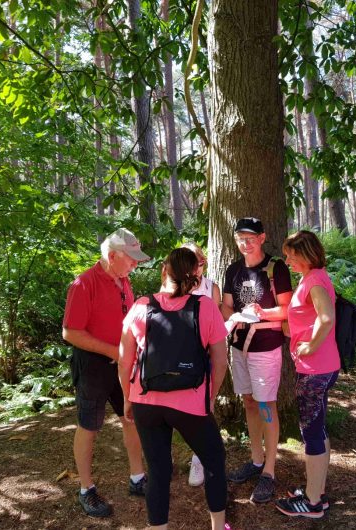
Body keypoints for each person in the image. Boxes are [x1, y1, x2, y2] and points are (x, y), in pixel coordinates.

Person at [118, 247, 230, 530]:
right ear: (195, 275)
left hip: (146, 401)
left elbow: (124, 360)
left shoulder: (141, 306)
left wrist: (127, 398)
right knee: (214, 460)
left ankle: (158, 527)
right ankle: (218, 526)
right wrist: (210, 398)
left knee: (157, 469)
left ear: (163, 271)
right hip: (190, 403)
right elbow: (220, 362)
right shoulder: (205, 307)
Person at [62, 228, 149, 518]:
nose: (135, 265)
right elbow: (70, 332)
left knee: (130, 417)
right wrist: (114, 352)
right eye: (131, 259)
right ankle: (86, 489)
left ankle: (138, 478)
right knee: (89, 425)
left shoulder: (123, 280)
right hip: (93, 366)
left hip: (122, 363)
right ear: (112, 256)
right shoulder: (83, 284)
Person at [222, 217, 292, 503]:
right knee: (249, 401)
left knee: (266, 404)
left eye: (250, 237)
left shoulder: (276, 268)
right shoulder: (233, 269)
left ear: (262, 238)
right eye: (240, 237)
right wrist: (235, 317)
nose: (245, 242)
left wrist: (262, 314)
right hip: (239, 347)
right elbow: (226, 306)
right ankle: (256, 459)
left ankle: (269, 472)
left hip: (265, 348)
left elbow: (287, 310)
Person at [275, 230, 339, 519]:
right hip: (323, 368)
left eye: (291, 255)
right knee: (318, 429)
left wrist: (310, 346)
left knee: (311, 433)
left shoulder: (314, 280)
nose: (287, 261)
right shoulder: (316, 277)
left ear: (306, 254)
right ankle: (318, 491)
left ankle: (312, 504)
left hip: (315, 371)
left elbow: (326, 318)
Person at [182, 242, 222, 487]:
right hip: (178, 355)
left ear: (202, 263)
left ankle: (199, 457)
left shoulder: (211, 288)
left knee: (206, 404)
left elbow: (215, 324)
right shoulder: (175, 285)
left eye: (195, 262)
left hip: (204, 354)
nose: (191, 268)